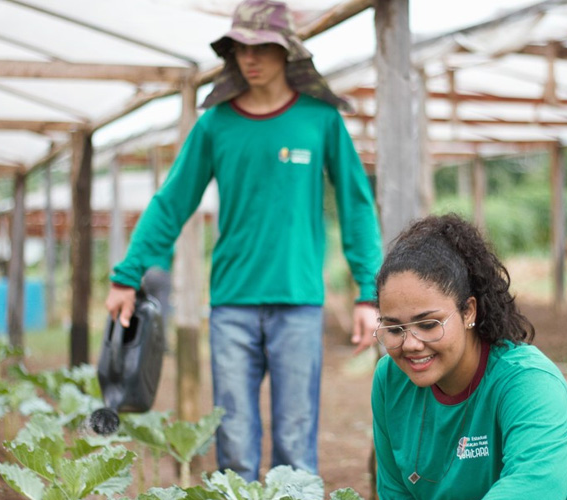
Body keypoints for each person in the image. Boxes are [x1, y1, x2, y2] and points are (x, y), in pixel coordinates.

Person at [105, 0, 382, 482]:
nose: (248, 57)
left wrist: (368, 291)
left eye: (261, 47)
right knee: (232, 443)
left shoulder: (320, 119)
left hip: (299, 303)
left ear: (287, 50)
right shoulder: (215, 123)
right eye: (238, 48)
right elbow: (172, 203)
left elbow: (357, 204)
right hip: (231, 305)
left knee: (296, 443)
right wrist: (127, 275)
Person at [371, 213, 567, 499]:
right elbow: (395, 491)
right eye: (394, 328)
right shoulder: (390, 380)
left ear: (468, 311)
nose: (410, 344)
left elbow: (535, 486)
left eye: (428, 325)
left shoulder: (528, 383)